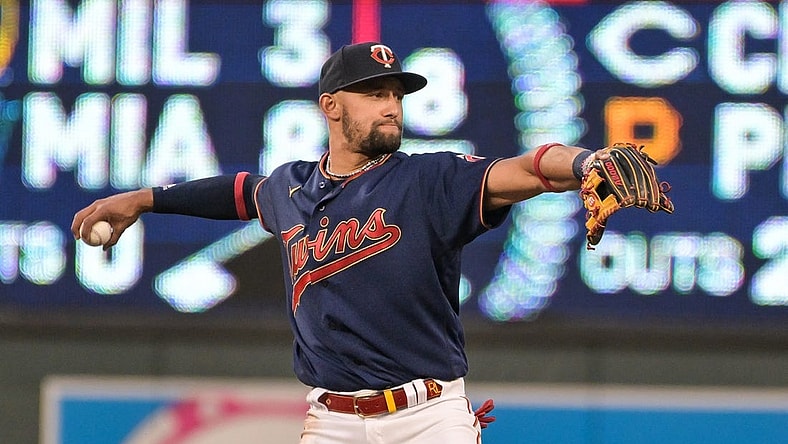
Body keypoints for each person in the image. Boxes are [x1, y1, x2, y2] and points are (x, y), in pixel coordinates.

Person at [72, 42, 603, 443]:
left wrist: (582, 163)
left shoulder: (428, 181)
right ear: (331, 105)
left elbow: (529, 171)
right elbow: (236, 192)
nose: (391, 106)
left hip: (428, 418)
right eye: (374, 93)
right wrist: (142, 199)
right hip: (331, 422)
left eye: (396, 94)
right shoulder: (290, 188)